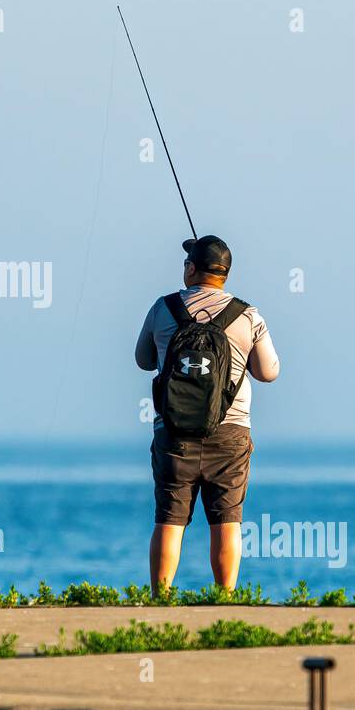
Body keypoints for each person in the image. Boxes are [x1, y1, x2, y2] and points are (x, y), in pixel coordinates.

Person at [134, 235, 280, 594]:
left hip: (173, 432)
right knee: (227, 521)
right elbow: (268, 372)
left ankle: (160, 598)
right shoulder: (247, 315)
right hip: (230, 433)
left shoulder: (162, 308)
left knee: (169, 520)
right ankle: (225, 599)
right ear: (225, 274)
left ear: (191, 269)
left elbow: (143, 361)